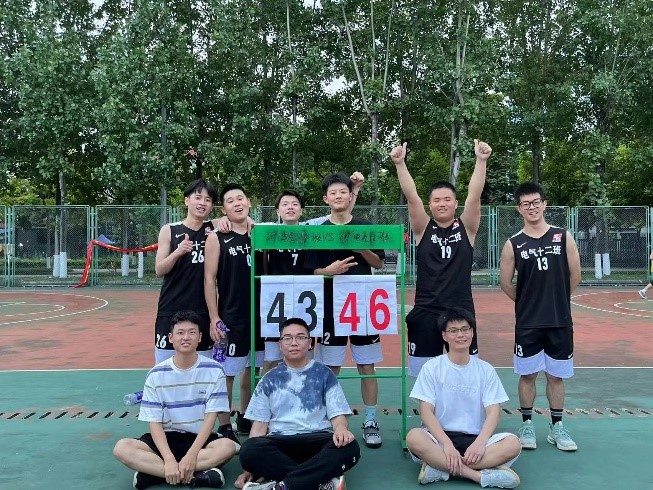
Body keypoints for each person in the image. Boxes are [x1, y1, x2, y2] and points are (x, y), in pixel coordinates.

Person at [390, 140, 492, 376]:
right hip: (426, 311)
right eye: (437, 200)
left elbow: (474, 195)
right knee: (424, 375)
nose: (442, 204)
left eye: (447, 199)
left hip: (460, 311)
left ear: (456, 204)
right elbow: (412, 197)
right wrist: (400, 164)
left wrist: (481, 160)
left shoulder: (467, 228)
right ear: (430, 205)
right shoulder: (422, 228)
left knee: (464, 373)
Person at [304, 172, 385, 449]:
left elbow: (379, 262)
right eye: (333, 193)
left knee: (367, 366)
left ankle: (370, 420)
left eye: (343, 192)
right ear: (325, 199)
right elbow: (310, 270)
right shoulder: (318, 231)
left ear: (351, 196)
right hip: (330, 307)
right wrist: (328, 271)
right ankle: (329, 418)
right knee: (331, 368)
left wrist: (361, 249)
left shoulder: (364, 226)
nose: (338, 196)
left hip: (362, 305)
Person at [113, 310, 237, 490]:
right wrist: (169, 459)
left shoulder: (215, 370)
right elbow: (154, 422)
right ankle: (196, 475)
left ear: (200, 337)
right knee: (122, 448)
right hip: (165, 439)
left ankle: (154, 474)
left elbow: (211, 418)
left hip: (198, 439)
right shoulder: (156, 374)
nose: (186, 337)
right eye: (180, 332)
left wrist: (192, 455)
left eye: (192, 332)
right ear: (171, 338)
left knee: (227, 447)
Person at [499, 182, 581, 452]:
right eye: (526, 204)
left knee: (556, 376)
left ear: (544, 204)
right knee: (528, 375)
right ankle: (526, 425)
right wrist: (527, 303)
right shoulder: (513, 243)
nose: (532, 207)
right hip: (528, 322)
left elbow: (575, 276)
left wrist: (557, 299)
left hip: (559, 320)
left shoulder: (563, 236)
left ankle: (557, 427)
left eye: (536, 202)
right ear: (519, 209)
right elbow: (505, 283)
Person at [236, 317, 360, 490]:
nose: (294, 342)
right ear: (280, 345)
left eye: (300, 337)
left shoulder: (324, 374)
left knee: (350, 447)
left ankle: (283, 485)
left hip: (318, 440)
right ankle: (318, 482)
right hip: (281, 442)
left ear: (309, 343)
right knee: (249, 450)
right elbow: (258, 429)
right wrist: (248, 469)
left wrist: (341, 429)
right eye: (287, 338)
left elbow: (338, 415)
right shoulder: (269, 379)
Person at [406, 308, 521, 488]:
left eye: (465, 329)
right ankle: (477, 476)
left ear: (472, 333)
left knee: (513, 444)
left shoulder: (485, 369)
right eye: (453, 331)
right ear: (444, 336)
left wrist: (480, 444)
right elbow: (426, 412)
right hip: (439, 438)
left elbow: (493, 412)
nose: (460, 335)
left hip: (475, 439)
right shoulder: (432, 367)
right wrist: (447, 445)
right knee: (414, 437)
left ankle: (440, 468)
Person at [204, 183, 265, 438]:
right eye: (230, 201)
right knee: (226, 373)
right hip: (231, 315)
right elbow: (209, 279)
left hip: (261, 315)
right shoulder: (216, 236)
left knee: (253, 369)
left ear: (249, 202)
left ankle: (247, 417)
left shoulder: (260, 233)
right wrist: (214, 317)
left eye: (241, 198)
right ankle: (224, 426)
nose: (237, 203)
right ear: (223, 209)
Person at [153, 179, 218, 364]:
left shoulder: (214, 230)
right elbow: (159, 270)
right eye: (198, 197)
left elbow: (245, 220)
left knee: (203, 366)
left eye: (208, 200)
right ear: (187, 200)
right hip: (171, 308)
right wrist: (178, 252)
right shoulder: (169, 230)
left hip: (203, 309)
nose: (202, 203)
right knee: (165, 366)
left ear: (212, 206)